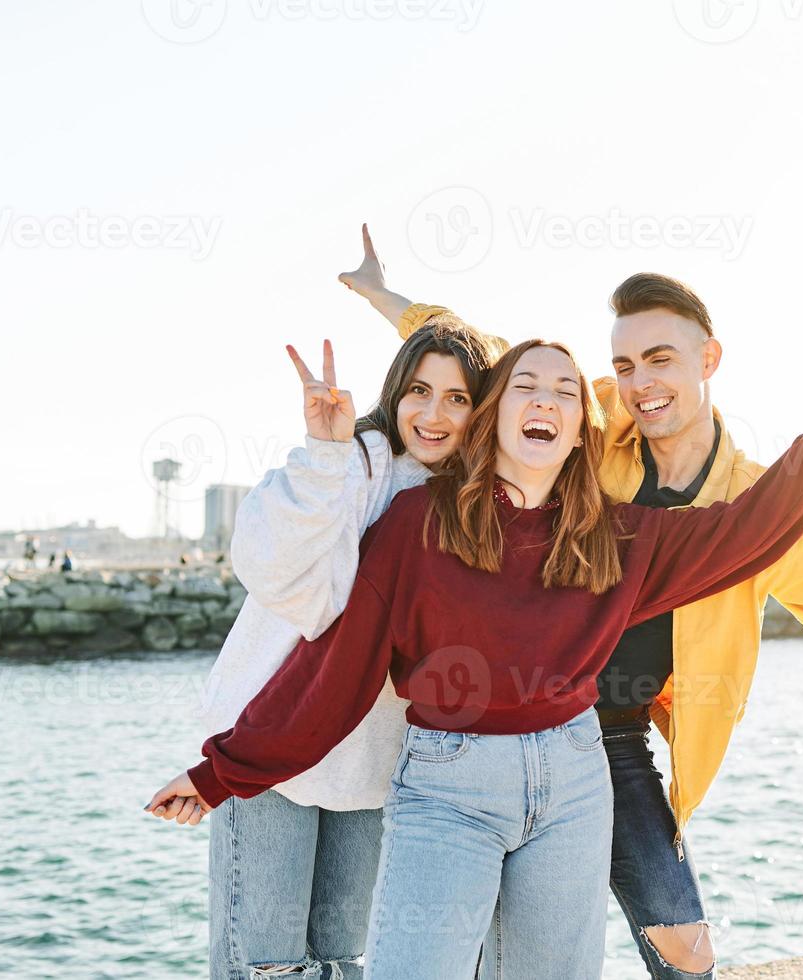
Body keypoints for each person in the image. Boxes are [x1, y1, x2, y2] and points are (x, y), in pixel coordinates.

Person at [343, 226, 803, 978]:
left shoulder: (760, 506)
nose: (640, 383)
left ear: (709, 359)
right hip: (498, 730)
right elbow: (490, 359)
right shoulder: (592, 432)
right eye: (624, 365)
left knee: (685, 952)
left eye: (661, 360)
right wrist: (387, 298)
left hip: (611, 740)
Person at [148, 337, 803, 979]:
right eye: (525, 385)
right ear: (495, 414)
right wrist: (222, 772)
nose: (546, 399)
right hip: (446, 786)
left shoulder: (618, 539)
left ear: (578, 434)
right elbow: (333, 673)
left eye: (565, 391)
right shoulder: (415, 525)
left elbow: (753, 528)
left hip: (574, 780)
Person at [193, 320, 504, 979]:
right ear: (396, 390)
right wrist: (321, 454)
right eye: (420, 389)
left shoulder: (480, 502)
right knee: (265, 963)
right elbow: (272, 567)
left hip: (370, 767)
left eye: (457, 397)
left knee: (344, 959)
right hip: (270, 740)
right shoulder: (358, 458)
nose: (433, 413)